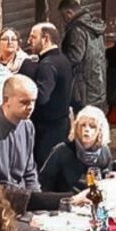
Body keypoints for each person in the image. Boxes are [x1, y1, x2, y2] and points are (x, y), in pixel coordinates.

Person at [22, 23, 74, 167]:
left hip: (47, 130)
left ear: (45, 39)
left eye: (33, 37)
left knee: (45, 171)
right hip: (61, 124)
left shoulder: (47, 64)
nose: (29, 41)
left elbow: (42, 97)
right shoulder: (63, 59)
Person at [39, 106, 112, 193]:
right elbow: (43, 184)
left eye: (92, 126)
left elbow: (107, 183)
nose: (86, 130)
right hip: (64, 200)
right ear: (76, 127)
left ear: (100, 131)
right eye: (83, 125)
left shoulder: (104, 151)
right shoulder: (61, 151)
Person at [58, 0, 107, 112]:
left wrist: (60, 62)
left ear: (69, 13)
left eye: (63, 16)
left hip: (83, 84)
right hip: (98, 79)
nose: (63, 20)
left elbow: (75, 57)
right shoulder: (94, 25)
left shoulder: (77, 29)